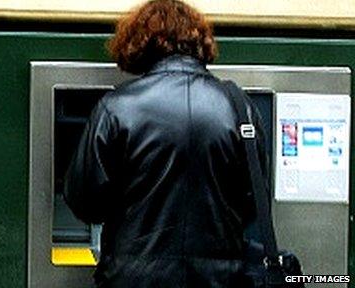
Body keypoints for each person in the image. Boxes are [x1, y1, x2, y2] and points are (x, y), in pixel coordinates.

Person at [64, 0, 268, 287]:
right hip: (218, 280)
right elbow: (252, 202)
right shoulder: (239, 108)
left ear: (139, 43)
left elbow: (85, 201)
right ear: (200, 42)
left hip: (133, 279)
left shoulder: (118, 107)